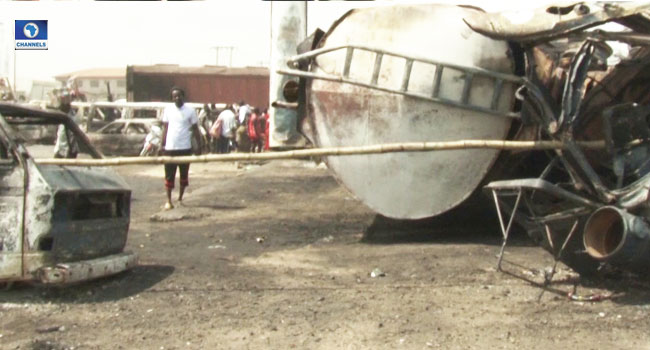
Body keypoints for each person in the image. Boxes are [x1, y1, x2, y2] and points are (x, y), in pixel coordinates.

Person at [161, 87, 201, 210]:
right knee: (169, 175)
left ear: (183, 96)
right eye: (175, 96)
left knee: (184, 175)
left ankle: (180, 199)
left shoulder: (190, 110)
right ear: (172, 98)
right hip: (170, 147)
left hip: (185, 147)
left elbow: (195, 129)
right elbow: (165, 128)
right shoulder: (168, 110)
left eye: (179, 96)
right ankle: (168, 201)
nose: (177, 98)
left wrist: (199, 145)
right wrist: (162, 144)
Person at [53, 92, 79, 159]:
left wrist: (69, 150)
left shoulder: (71, 118)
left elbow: (72, 136)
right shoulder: (61, 116)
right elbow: (59, 132)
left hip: (69, 151)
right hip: (60, 149)